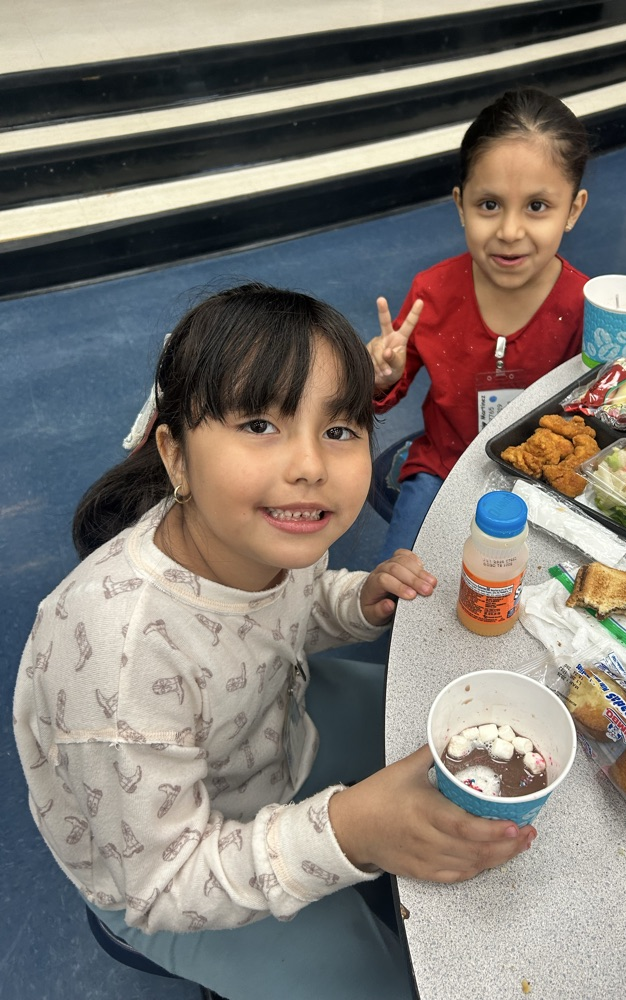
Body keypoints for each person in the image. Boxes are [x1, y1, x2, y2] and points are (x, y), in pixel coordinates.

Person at [13, 282, 536, 1000]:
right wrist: (349, 832)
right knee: (384, 981)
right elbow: (162, 881)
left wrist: (357, 600)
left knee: (454, 731)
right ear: (175, 456)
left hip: (272, 724)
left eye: (339, 429)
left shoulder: (268, 532)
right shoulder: (122, 654)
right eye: (259, 424)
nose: (310, 465)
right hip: (170, 873)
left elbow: (292, 606)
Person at [368, 88, 590, 557]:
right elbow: (388, 388)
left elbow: (592, 412)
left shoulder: (584, 304)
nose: (509, 232)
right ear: (459, 204)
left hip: (538, 479)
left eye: (537, 206)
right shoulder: (431, 293)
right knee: (397, 587)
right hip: (441, 463)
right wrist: (379, 376)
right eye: (489, 205)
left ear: (572, 209)